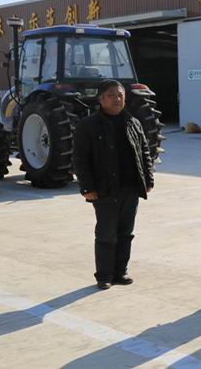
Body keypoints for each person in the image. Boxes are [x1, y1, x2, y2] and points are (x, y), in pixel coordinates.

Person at [73, 79, 154, 290]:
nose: (117, 99)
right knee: (106, 234)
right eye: (111, 95)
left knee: (126, 233)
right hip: (104, 189)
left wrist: (147, 179)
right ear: (101, 99)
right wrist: (87, 187)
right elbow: (80, 159)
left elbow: (144, 152)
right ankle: (104, 275)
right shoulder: (88, 125)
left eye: (120, 95)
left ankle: (120, 272)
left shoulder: (133, 122)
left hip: (130, 188)